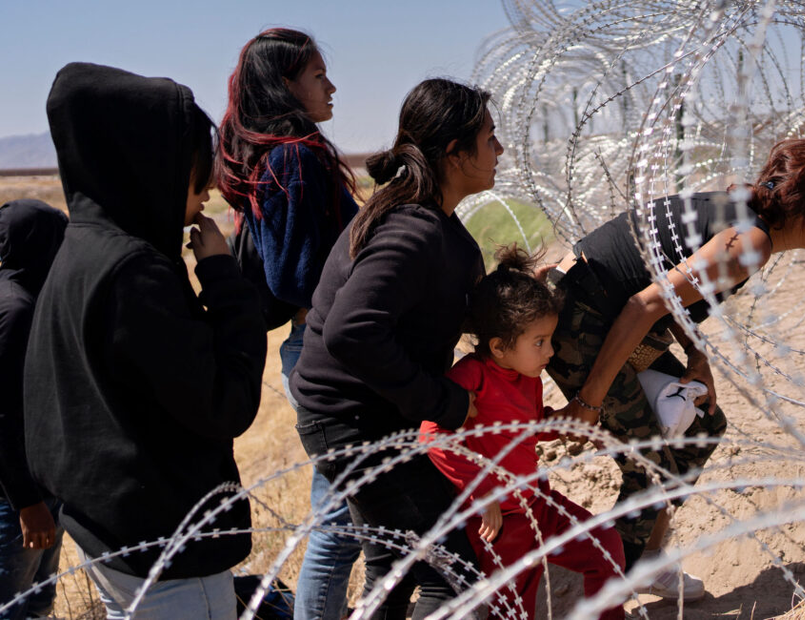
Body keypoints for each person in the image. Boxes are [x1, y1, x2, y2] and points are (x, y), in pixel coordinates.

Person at [547, 138, 805, 599]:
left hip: (604, 313)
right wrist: (589, 400)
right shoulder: (751, 243)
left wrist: (698, 359)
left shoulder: (747, 226)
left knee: (702, 424)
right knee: (650, 466)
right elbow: (646, 304)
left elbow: (667, 290)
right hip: (583, 320)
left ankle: (645, 561)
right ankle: (609, 585)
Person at [23, 62, 267, 618]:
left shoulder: (83, 247)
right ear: (147, 165)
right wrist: (225, 282)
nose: (207, 189)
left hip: (112, 534)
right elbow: (224, 401)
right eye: (195, 172)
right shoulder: (136, 272)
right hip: (168, 547)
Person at [290, 77, 505, 620]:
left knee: (394, 567)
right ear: (454, 153)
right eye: (490, 138)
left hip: (368, 418)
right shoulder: (411, 229)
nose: (500, 150)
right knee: (453, 578)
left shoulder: (435, 225)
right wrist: (442, 402)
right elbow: (350, 331)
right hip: (355, 422)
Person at [216, 28, 361, 620]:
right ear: (285, 86)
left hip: (318, 346)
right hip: (327, 348)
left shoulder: (284, 153)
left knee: (347, 516)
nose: (332, 87)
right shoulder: (295, 156)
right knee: (341, 521)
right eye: (318, 76)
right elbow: (292, 277)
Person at [420, 246, 626, 620]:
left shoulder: (526, 375)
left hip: (537, 502)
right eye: (539, 342)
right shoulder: (472, 377)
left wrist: (561, 423)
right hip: (500, 523)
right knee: (515, 609)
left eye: (549, 339)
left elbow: (524, 427)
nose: (550, 351)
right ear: (498, 346)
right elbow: (432, 437)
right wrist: (483, 493)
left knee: (606, 545)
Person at [0, 199, 67, 619]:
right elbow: (3, 417)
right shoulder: (16, 310)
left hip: (34, 489)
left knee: (36, 603)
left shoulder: (21, 296)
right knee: (16, 607)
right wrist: (28, 504)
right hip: (15, 499)